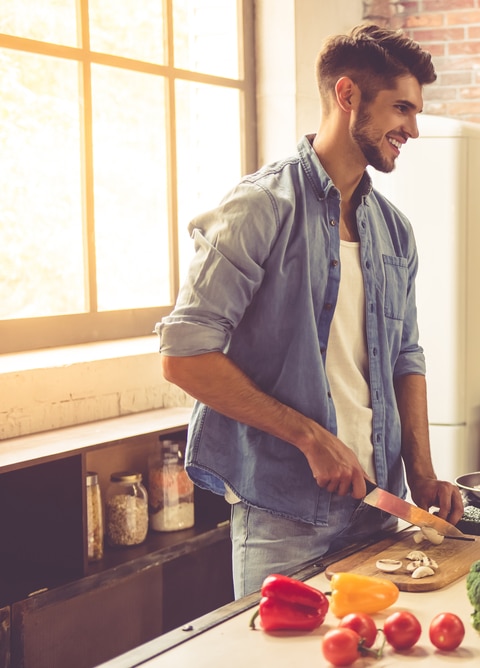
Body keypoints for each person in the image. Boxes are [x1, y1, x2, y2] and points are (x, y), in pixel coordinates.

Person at [156, 24, 463, 598]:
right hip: (282, 515)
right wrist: (309, 437)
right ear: (347, 97)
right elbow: (183, 356)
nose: (412, 129)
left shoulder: (394, 229)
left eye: (416, 112)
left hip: (377, 508)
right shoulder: (259, 207)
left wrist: (421, 473)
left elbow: (406, 357)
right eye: (401, 108)